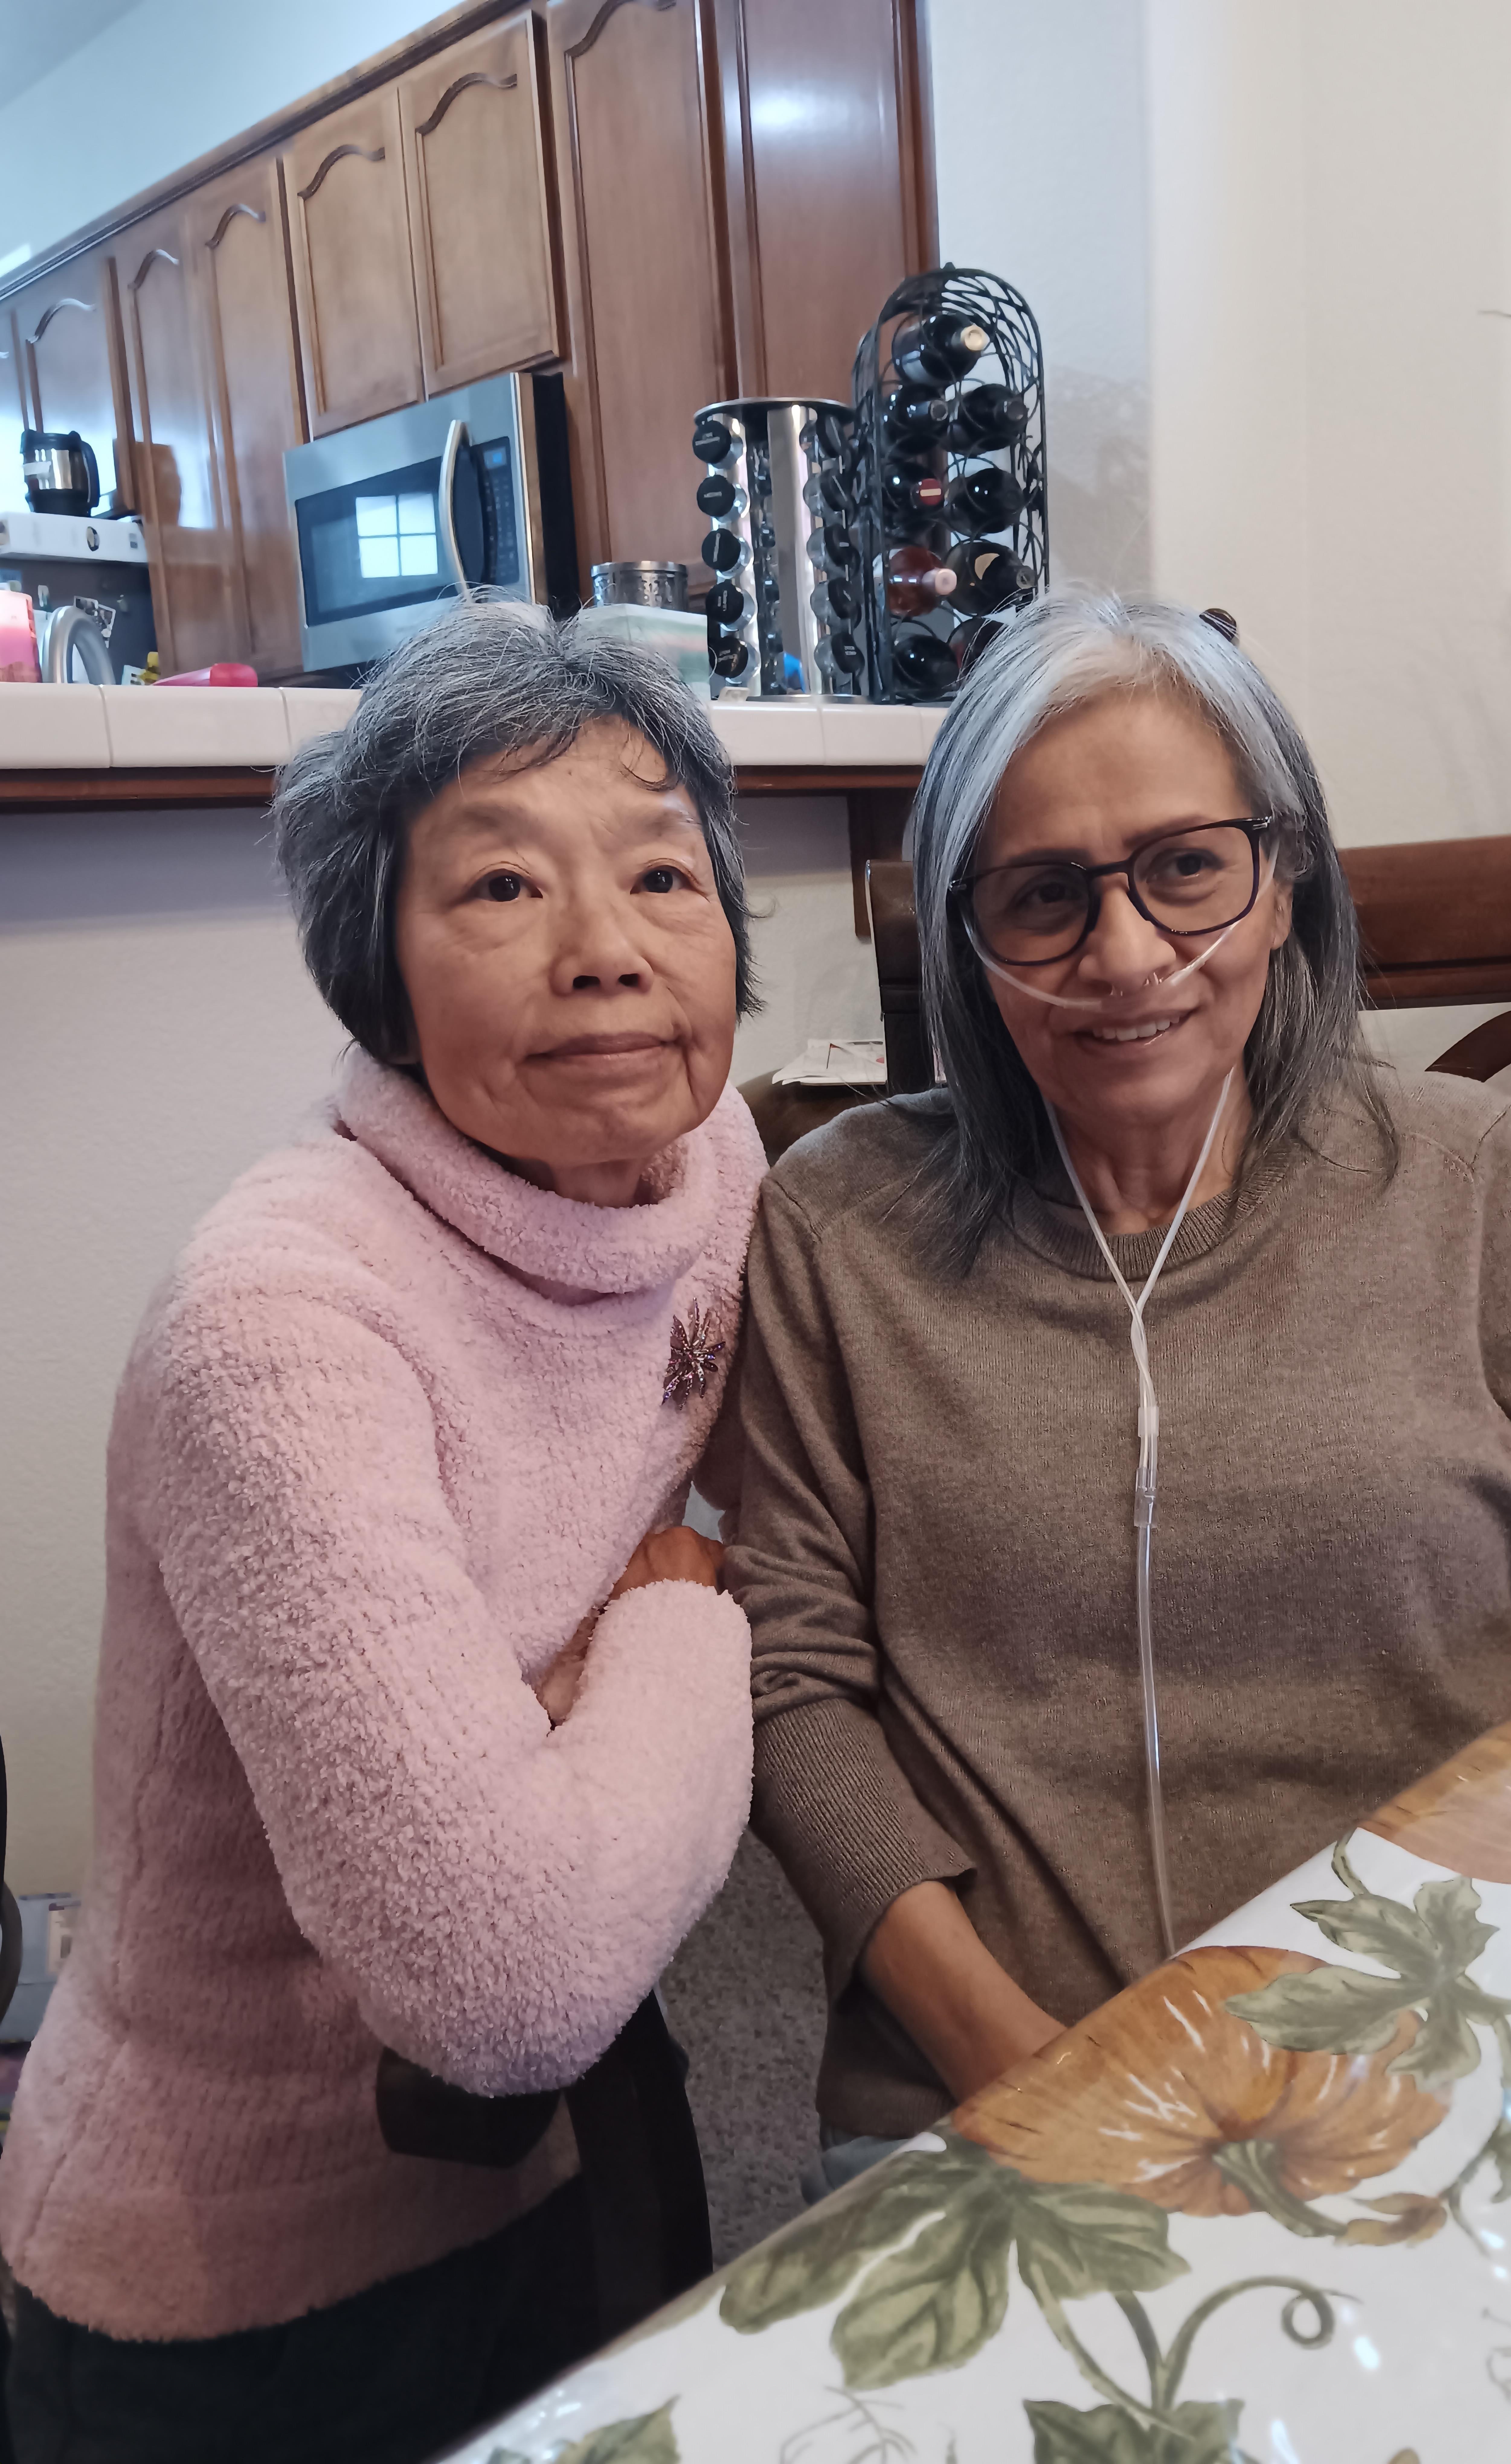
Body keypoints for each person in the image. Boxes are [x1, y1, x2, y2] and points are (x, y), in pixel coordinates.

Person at [728, 592, 1511, 2194]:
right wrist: (1015, 2065)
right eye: (1043, 896)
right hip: (992, 2085)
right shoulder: (836, 1228)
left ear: (1284, 877)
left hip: (1448, 2036)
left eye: (1186, 866)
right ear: (965, 936)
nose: (1126, 958)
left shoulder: (1470, 1179)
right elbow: (790, 1684)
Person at [1, 606, 766, 2463]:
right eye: (501, 888)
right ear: (377, 975)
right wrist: (682, 1615)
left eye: (662, 872)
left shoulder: (708, 1157)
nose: (606, 956)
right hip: (243, 2286)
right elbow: (507, 1982)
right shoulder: (280, 1323)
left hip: (568, 2155)